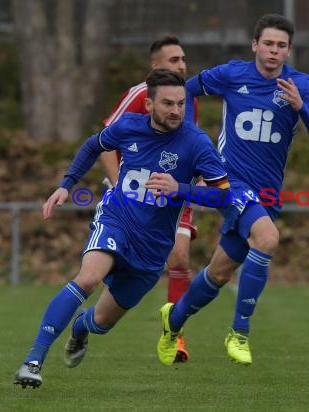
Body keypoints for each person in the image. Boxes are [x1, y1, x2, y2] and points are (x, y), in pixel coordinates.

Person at [13, 69, 230, 389]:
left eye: (181, 104)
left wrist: (182, 189)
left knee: (102, 322)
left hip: (153, 248)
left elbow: (224, 193)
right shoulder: (128, 127)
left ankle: (80, 329)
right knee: (88, 277)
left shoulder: (195, 142)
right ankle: (33, 361)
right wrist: (67, 185)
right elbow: (92, 146)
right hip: (118, 219)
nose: (176, 111)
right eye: (168, 104)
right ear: (149, 106)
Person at [156, 14, 309, 366]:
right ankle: (239, 331)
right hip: (230, 183)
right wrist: (189, 141)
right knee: (267, 239)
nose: (273, 51)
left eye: (281, 46)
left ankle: (172, 321)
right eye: (268, 43)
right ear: (255, 44)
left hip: (267, 195)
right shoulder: (232, 74)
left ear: (289, 50)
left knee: (218, 273)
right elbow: (184, 91)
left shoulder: (300, 84)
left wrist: (301, 108)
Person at [101, 36, 199, 362]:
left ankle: (175, 334)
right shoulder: (138, 94)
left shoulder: (186, 100)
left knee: (181, 257)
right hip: (134, 193)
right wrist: (119, 188)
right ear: (155, 67)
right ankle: (94, 314)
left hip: (173, 195)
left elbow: (189, 146)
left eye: (183, 59)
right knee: (116, 267)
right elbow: (103, 141)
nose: (182, 65)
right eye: (174, 60)